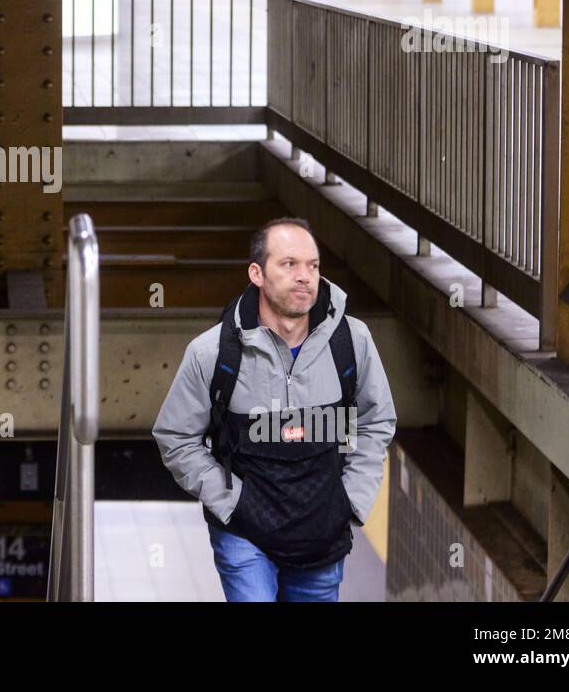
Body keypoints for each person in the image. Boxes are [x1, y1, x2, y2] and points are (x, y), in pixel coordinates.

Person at [153, 218, 396, 602]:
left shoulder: (352, 342)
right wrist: (230, 504)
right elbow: (175, 437)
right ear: (257, 273)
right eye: (289, 264)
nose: (305, 276)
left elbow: (376, 421)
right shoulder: (212, 352)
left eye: (313, 266)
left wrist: (350, 501)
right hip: (244, 535)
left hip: (322, 536)